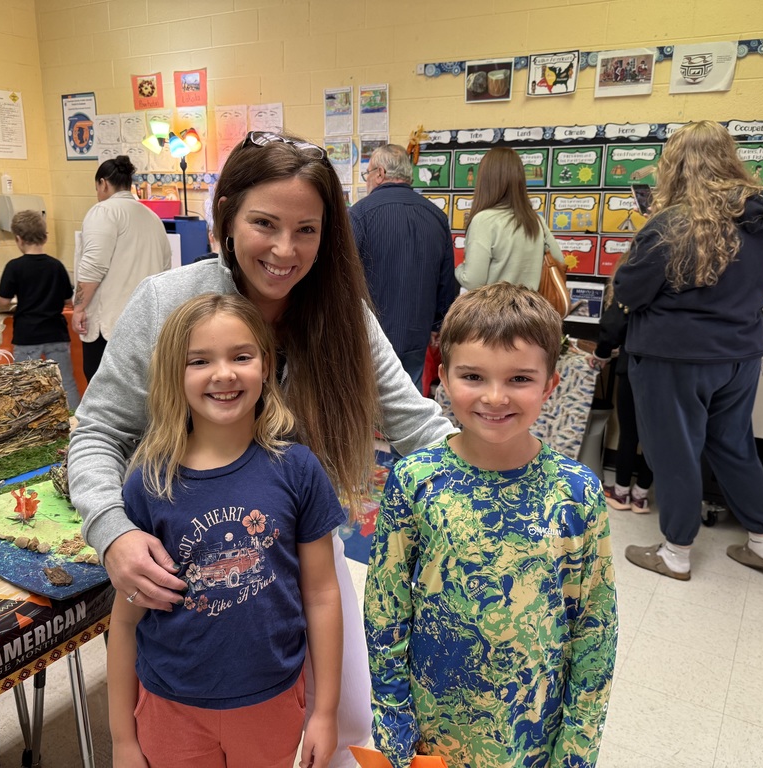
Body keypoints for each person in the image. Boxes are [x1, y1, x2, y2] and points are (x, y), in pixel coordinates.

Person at [68, 131, 455, 768]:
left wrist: (505, 487)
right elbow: (97, 431)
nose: (284, 250)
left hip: (297, 545)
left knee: (339, 723)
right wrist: (113, 532)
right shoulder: (168, 302)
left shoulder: (339, 313)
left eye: (307, 229)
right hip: (182, 558)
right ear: (225, 220)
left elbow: (418, 426)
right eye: (264, 224)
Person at [364, 283, 617, 768]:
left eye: (520, 378)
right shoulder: (415, 480)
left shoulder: (577, 492)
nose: (495, 397)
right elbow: (385, 611)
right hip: (431, 734)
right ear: (443, 377)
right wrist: (393, 719)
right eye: (474, 376)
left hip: (532, 736)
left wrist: (578, 748)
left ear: (550, 384)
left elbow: (594, 626)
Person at [108, 294, 344, 768]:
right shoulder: (148, 481)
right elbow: (125, 619)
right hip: (170, 707)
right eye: (200, 360)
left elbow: (321, 595)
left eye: (241, 356)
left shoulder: (297, 469)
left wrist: (326, 711)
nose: (224, 374)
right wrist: (121, 739)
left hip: (272, 702)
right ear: (175, 374)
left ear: (266, 364)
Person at [614, 120, 763, 580]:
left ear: (675, 165)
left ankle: (675, 553)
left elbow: (631, 290)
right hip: (741, 354)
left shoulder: (671, 224)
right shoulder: (761, 219)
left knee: (674, 452)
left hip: (676, 356)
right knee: (734, 444)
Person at [350, 144, 455, 389]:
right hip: (417, 332)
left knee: (367, 403)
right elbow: (446, 278)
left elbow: (343, 277)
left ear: (379, 173)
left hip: (370, 336)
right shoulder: (437, 216)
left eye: (367, 175)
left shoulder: (359, 215)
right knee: (410, 399)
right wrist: (438, 325)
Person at [72, 155, 172, 382]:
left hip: (109, 328)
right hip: (147, 327)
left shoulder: (103, 211)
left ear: (103, 183)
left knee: (104, 397)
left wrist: (79, 308)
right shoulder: (153, 217)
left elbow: (93, 266)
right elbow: (166, 268)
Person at [0, 210, 81, 411]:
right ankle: (76, 421)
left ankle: (29, 425)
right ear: (44, 237)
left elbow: (4, 300)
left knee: (26, 384)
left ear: (18, 239)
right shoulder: (56, 266)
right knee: (66, 381)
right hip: (56, 333)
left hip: (28, 335)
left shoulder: (15, 267)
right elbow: (68, 300)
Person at [456, 147, 564, 291]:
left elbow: (473, 282)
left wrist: (458, 269)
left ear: (485, 180)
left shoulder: (484, 221)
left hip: (496, 311)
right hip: (532, 310)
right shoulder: (536, 220)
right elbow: (559, 261)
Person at [588, 286, 653, 513]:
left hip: (633, 362)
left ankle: (621, 492)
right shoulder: (681, 278)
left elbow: (615, 324)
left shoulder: (637, 279)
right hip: (669, 369)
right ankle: (641, 496)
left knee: (629, 433)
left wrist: (602, 353)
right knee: (655, 436)